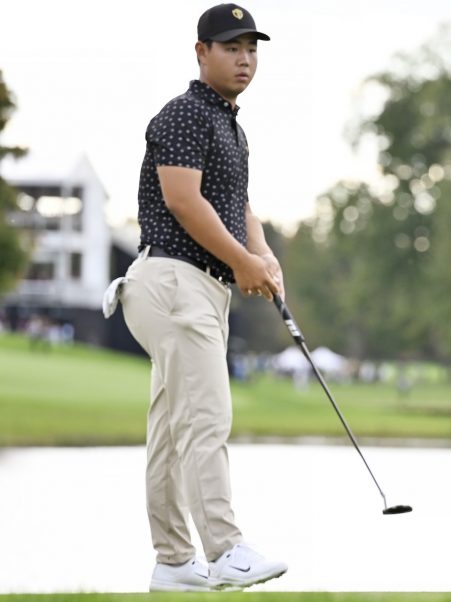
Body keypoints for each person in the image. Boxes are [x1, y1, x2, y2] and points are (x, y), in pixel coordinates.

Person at [115, 3, 287, 592]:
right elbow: (185, 201)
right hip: (173, 282)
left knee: (170, 428)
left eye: (252, 48)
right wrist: (243, 262)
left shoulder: (230, 126)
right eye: (231, 47)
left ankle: (174, 562)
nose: (244, 58)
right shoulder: (185, 114)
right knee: (207, 417)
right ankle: (225, 550)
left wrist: (261, 255)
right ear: (201, 52)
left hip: (196, 288)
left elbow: (237, 205)